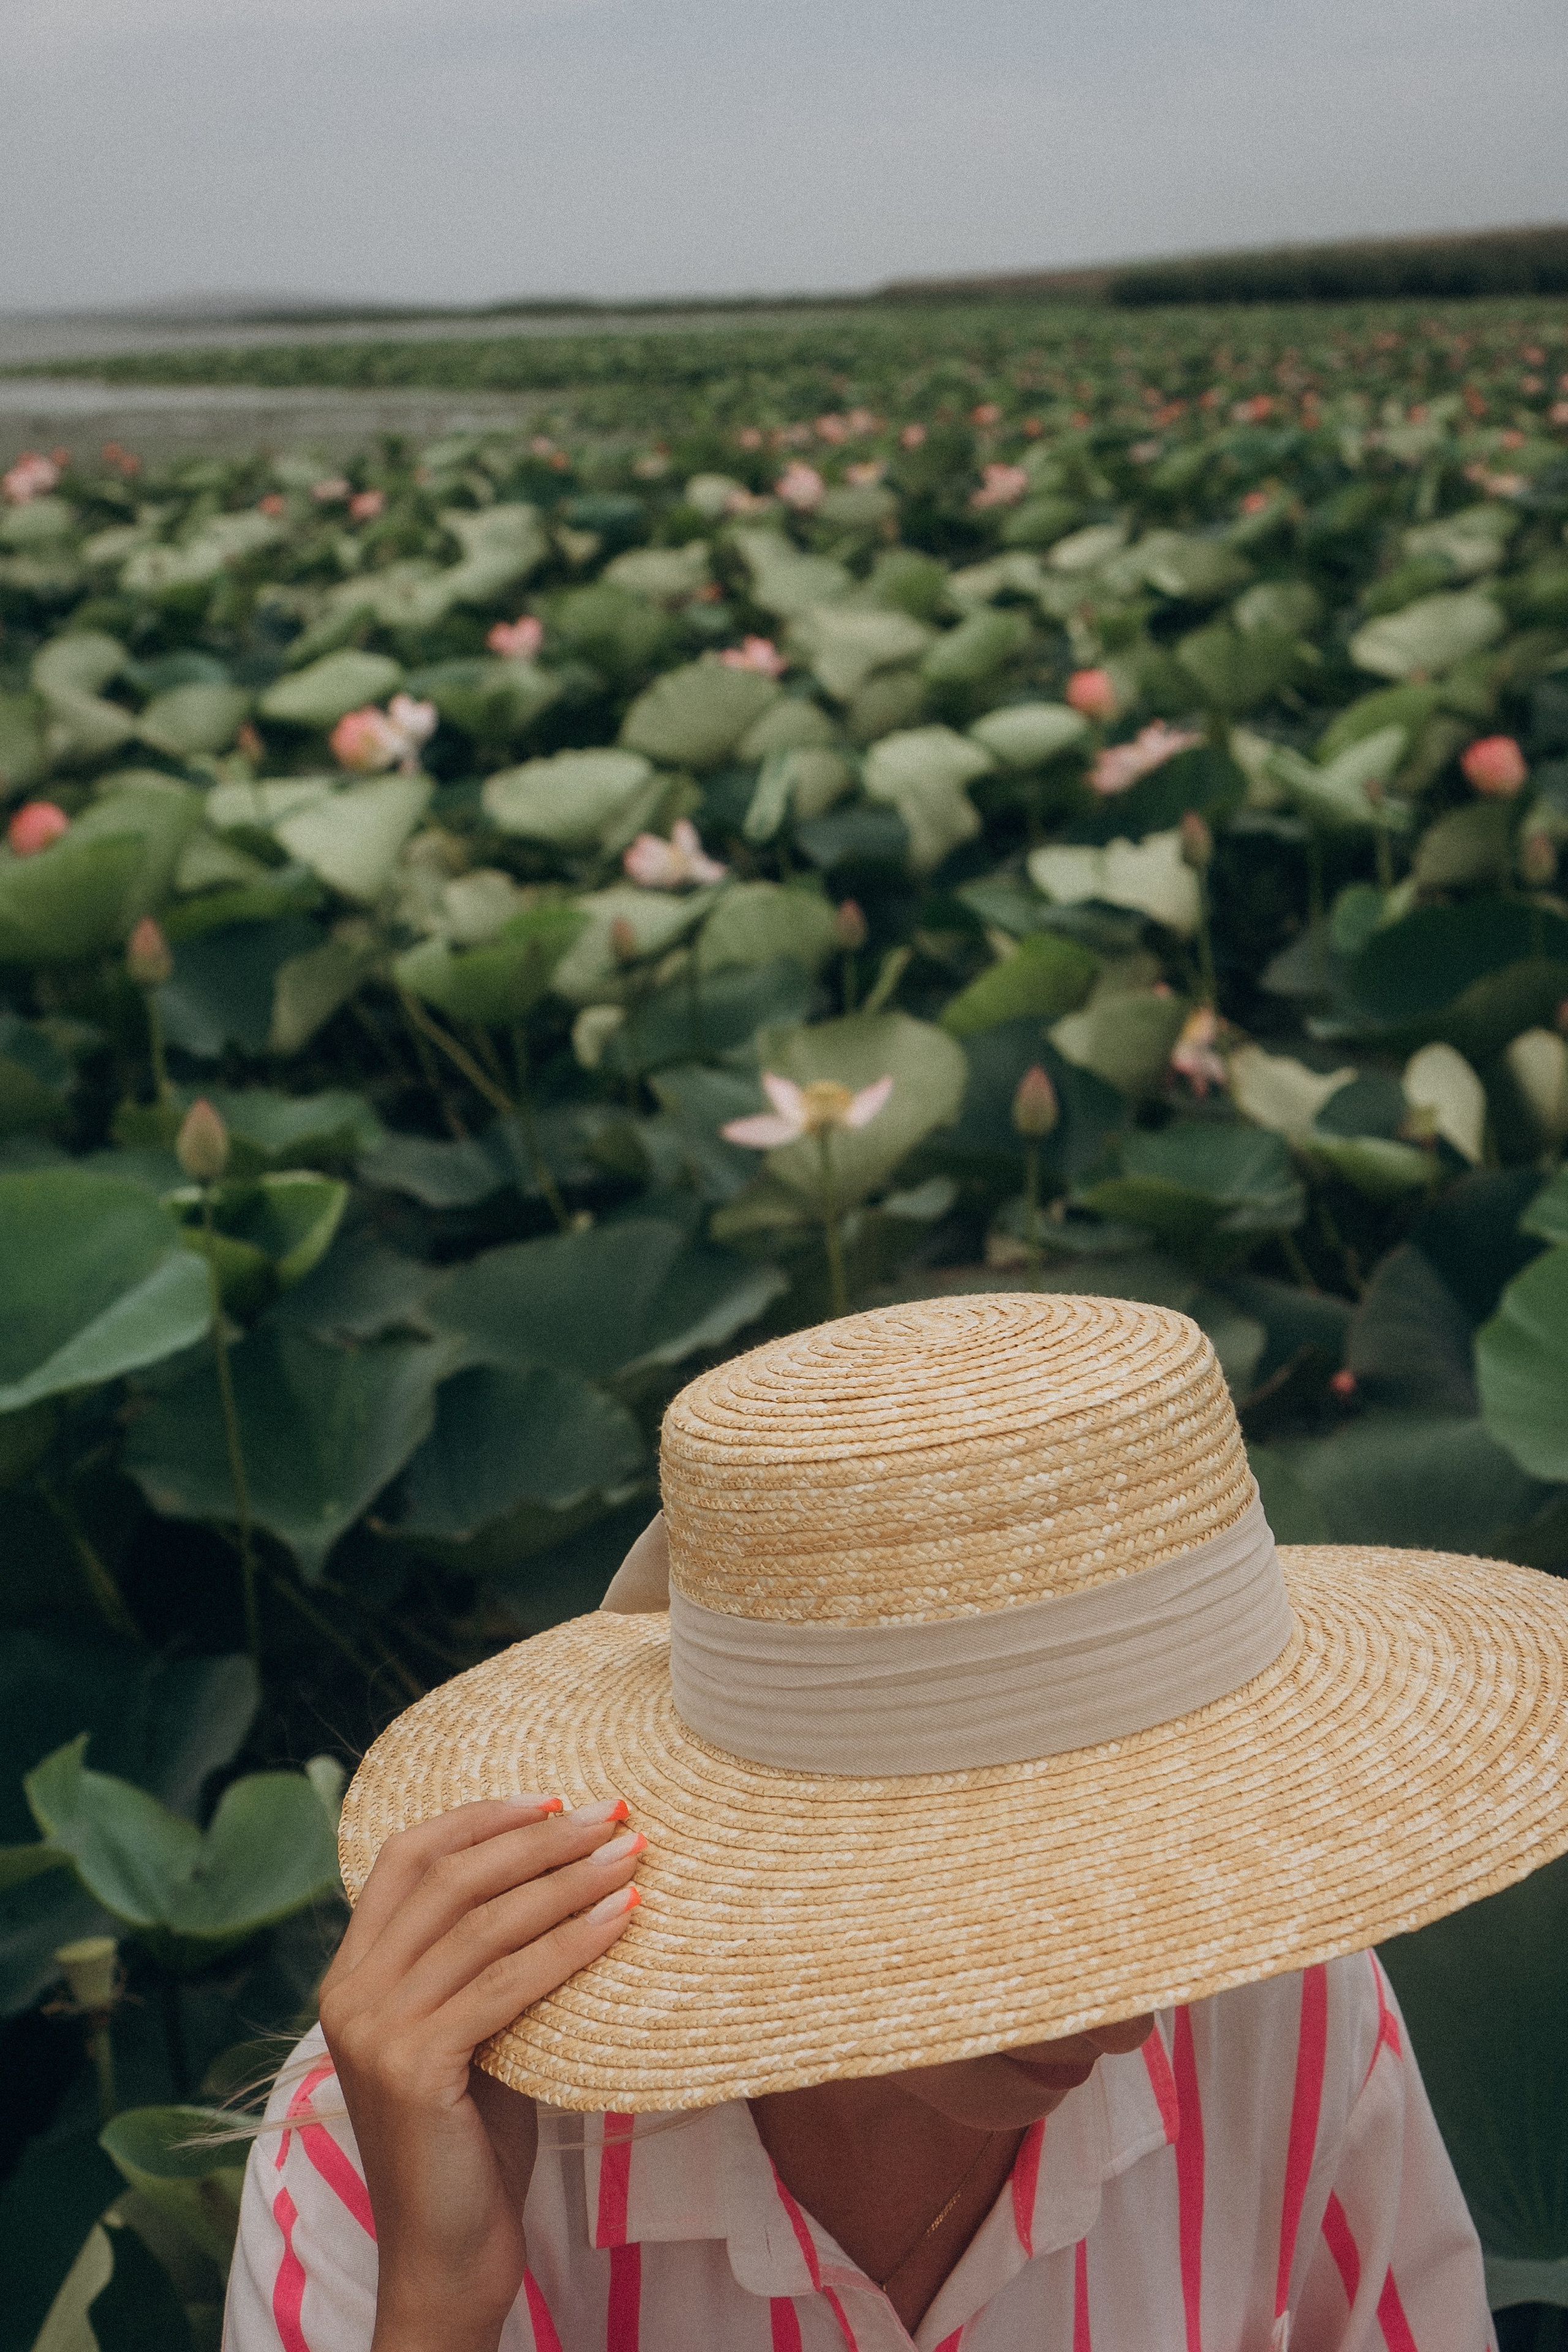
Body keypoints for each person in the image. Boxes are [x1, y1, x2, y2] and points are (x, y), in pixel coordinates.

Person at [226, 1294, 1567, 2351]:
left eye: (1157, 1862)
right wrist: (440, 2304)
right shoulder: (408, 2133)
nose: (1129, 2013)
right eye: (1015, 1895)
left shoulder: (1290, 2006)